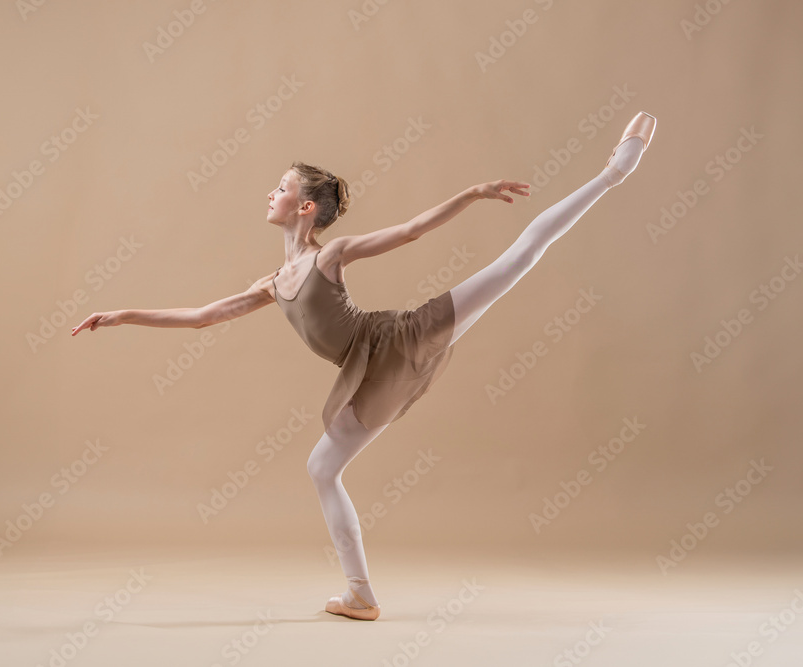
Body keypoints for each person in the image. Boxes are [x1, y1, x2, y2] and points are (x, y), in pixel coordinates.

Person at [72, 111, 657, 621]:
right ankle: (360, 595)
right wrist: (123, 314)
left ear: (304, 207)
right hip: (369, 368)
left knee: (517, 260)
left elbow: (411, 231)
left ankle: (615, 171)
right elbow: (202, 316)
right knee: (323, 469)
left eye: (278, 187)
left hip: (399, 338)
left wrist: (472, 193)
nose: (268, 193)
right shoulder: (273, 283)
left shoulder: (332, 254)